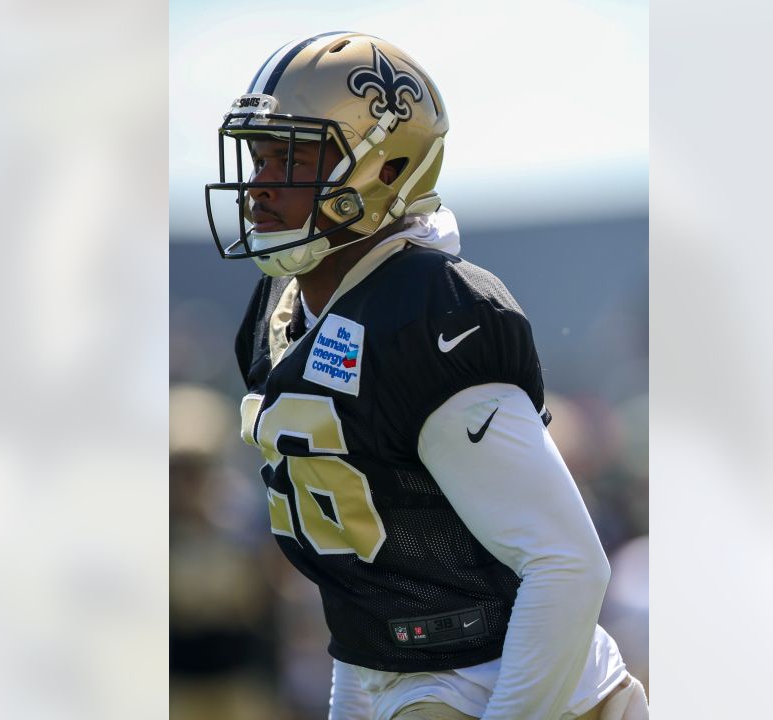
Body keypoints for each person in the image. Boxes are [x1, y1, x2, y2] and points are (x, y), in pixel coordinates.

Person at [203, 32, 648, 720]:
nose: (260, 182)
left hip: (518, 685)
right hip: (413, 687)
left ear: (382, 169)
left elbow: (567, 565)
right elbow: (365, 598)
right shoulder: (284, 312)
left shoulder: (427, 315)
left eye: (290, 157)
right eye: (259, 154)